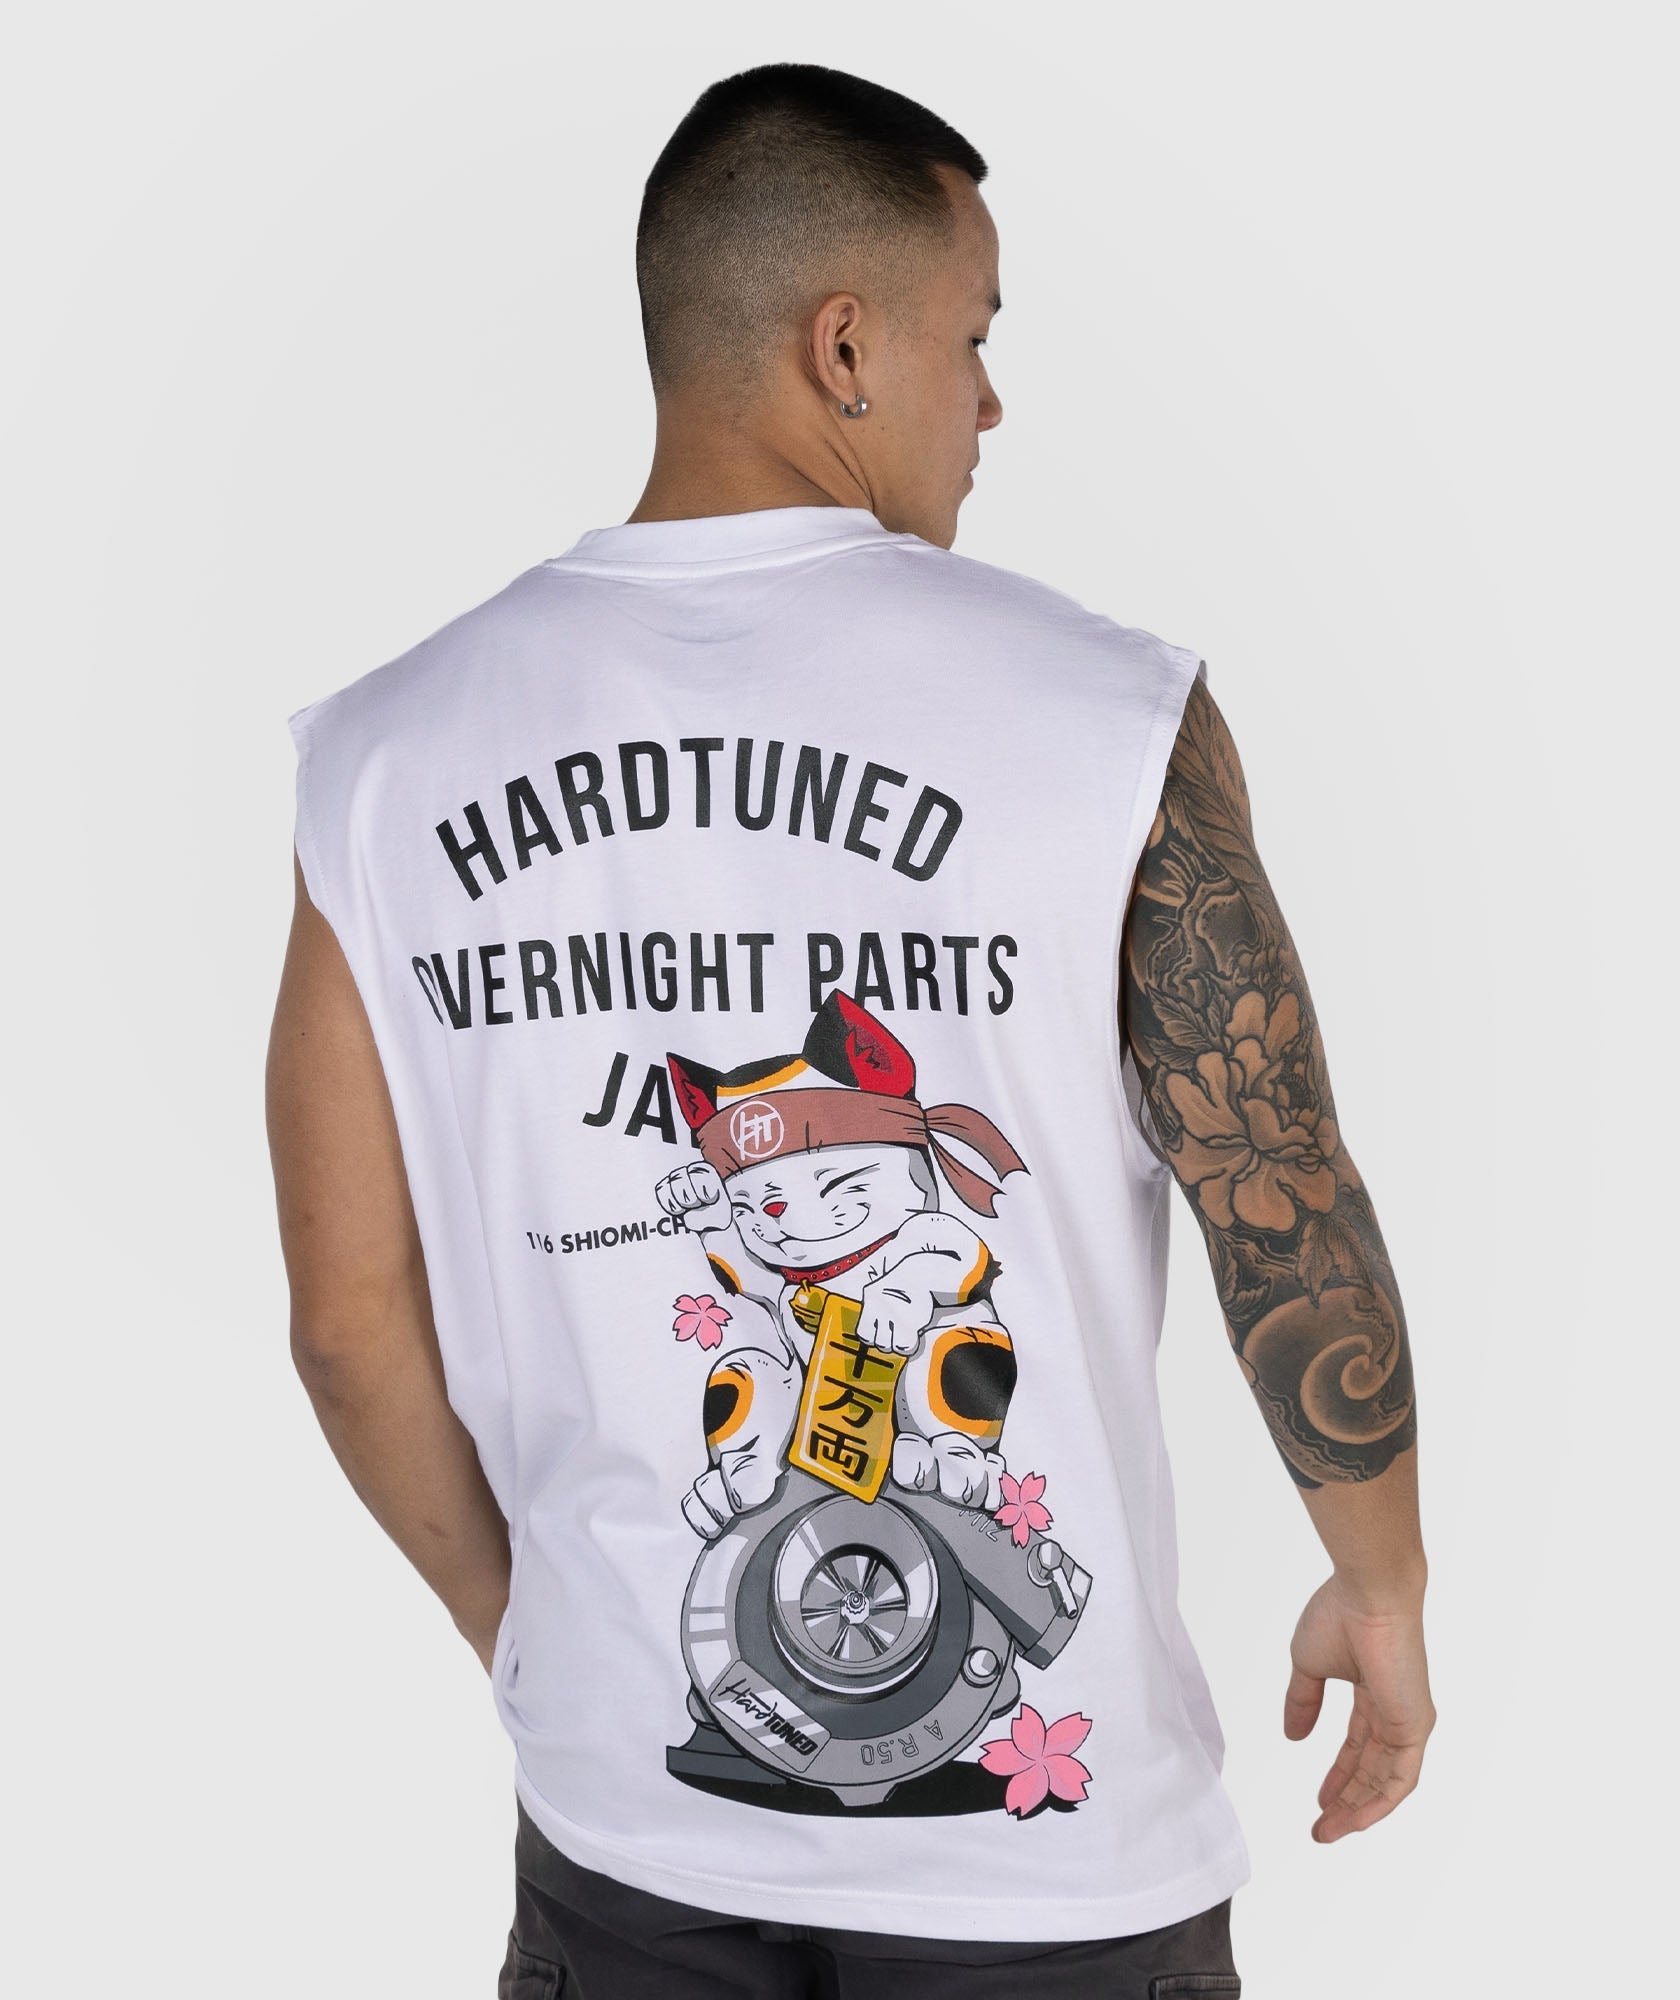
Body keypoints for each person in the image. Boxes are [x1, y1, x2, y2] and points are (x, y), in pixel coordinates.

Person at [266, 61, 1433, 1998]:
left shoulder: (382, 764)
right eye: (971, 339)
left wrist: (532, 1641)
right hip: (1049, 1892)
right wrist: (1380, 1583)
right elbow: (1279, 1197)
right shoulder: (1112, 723)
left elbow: (343, 1320)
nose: (990, 404)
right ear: (842, 347)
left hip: (627, 1845)